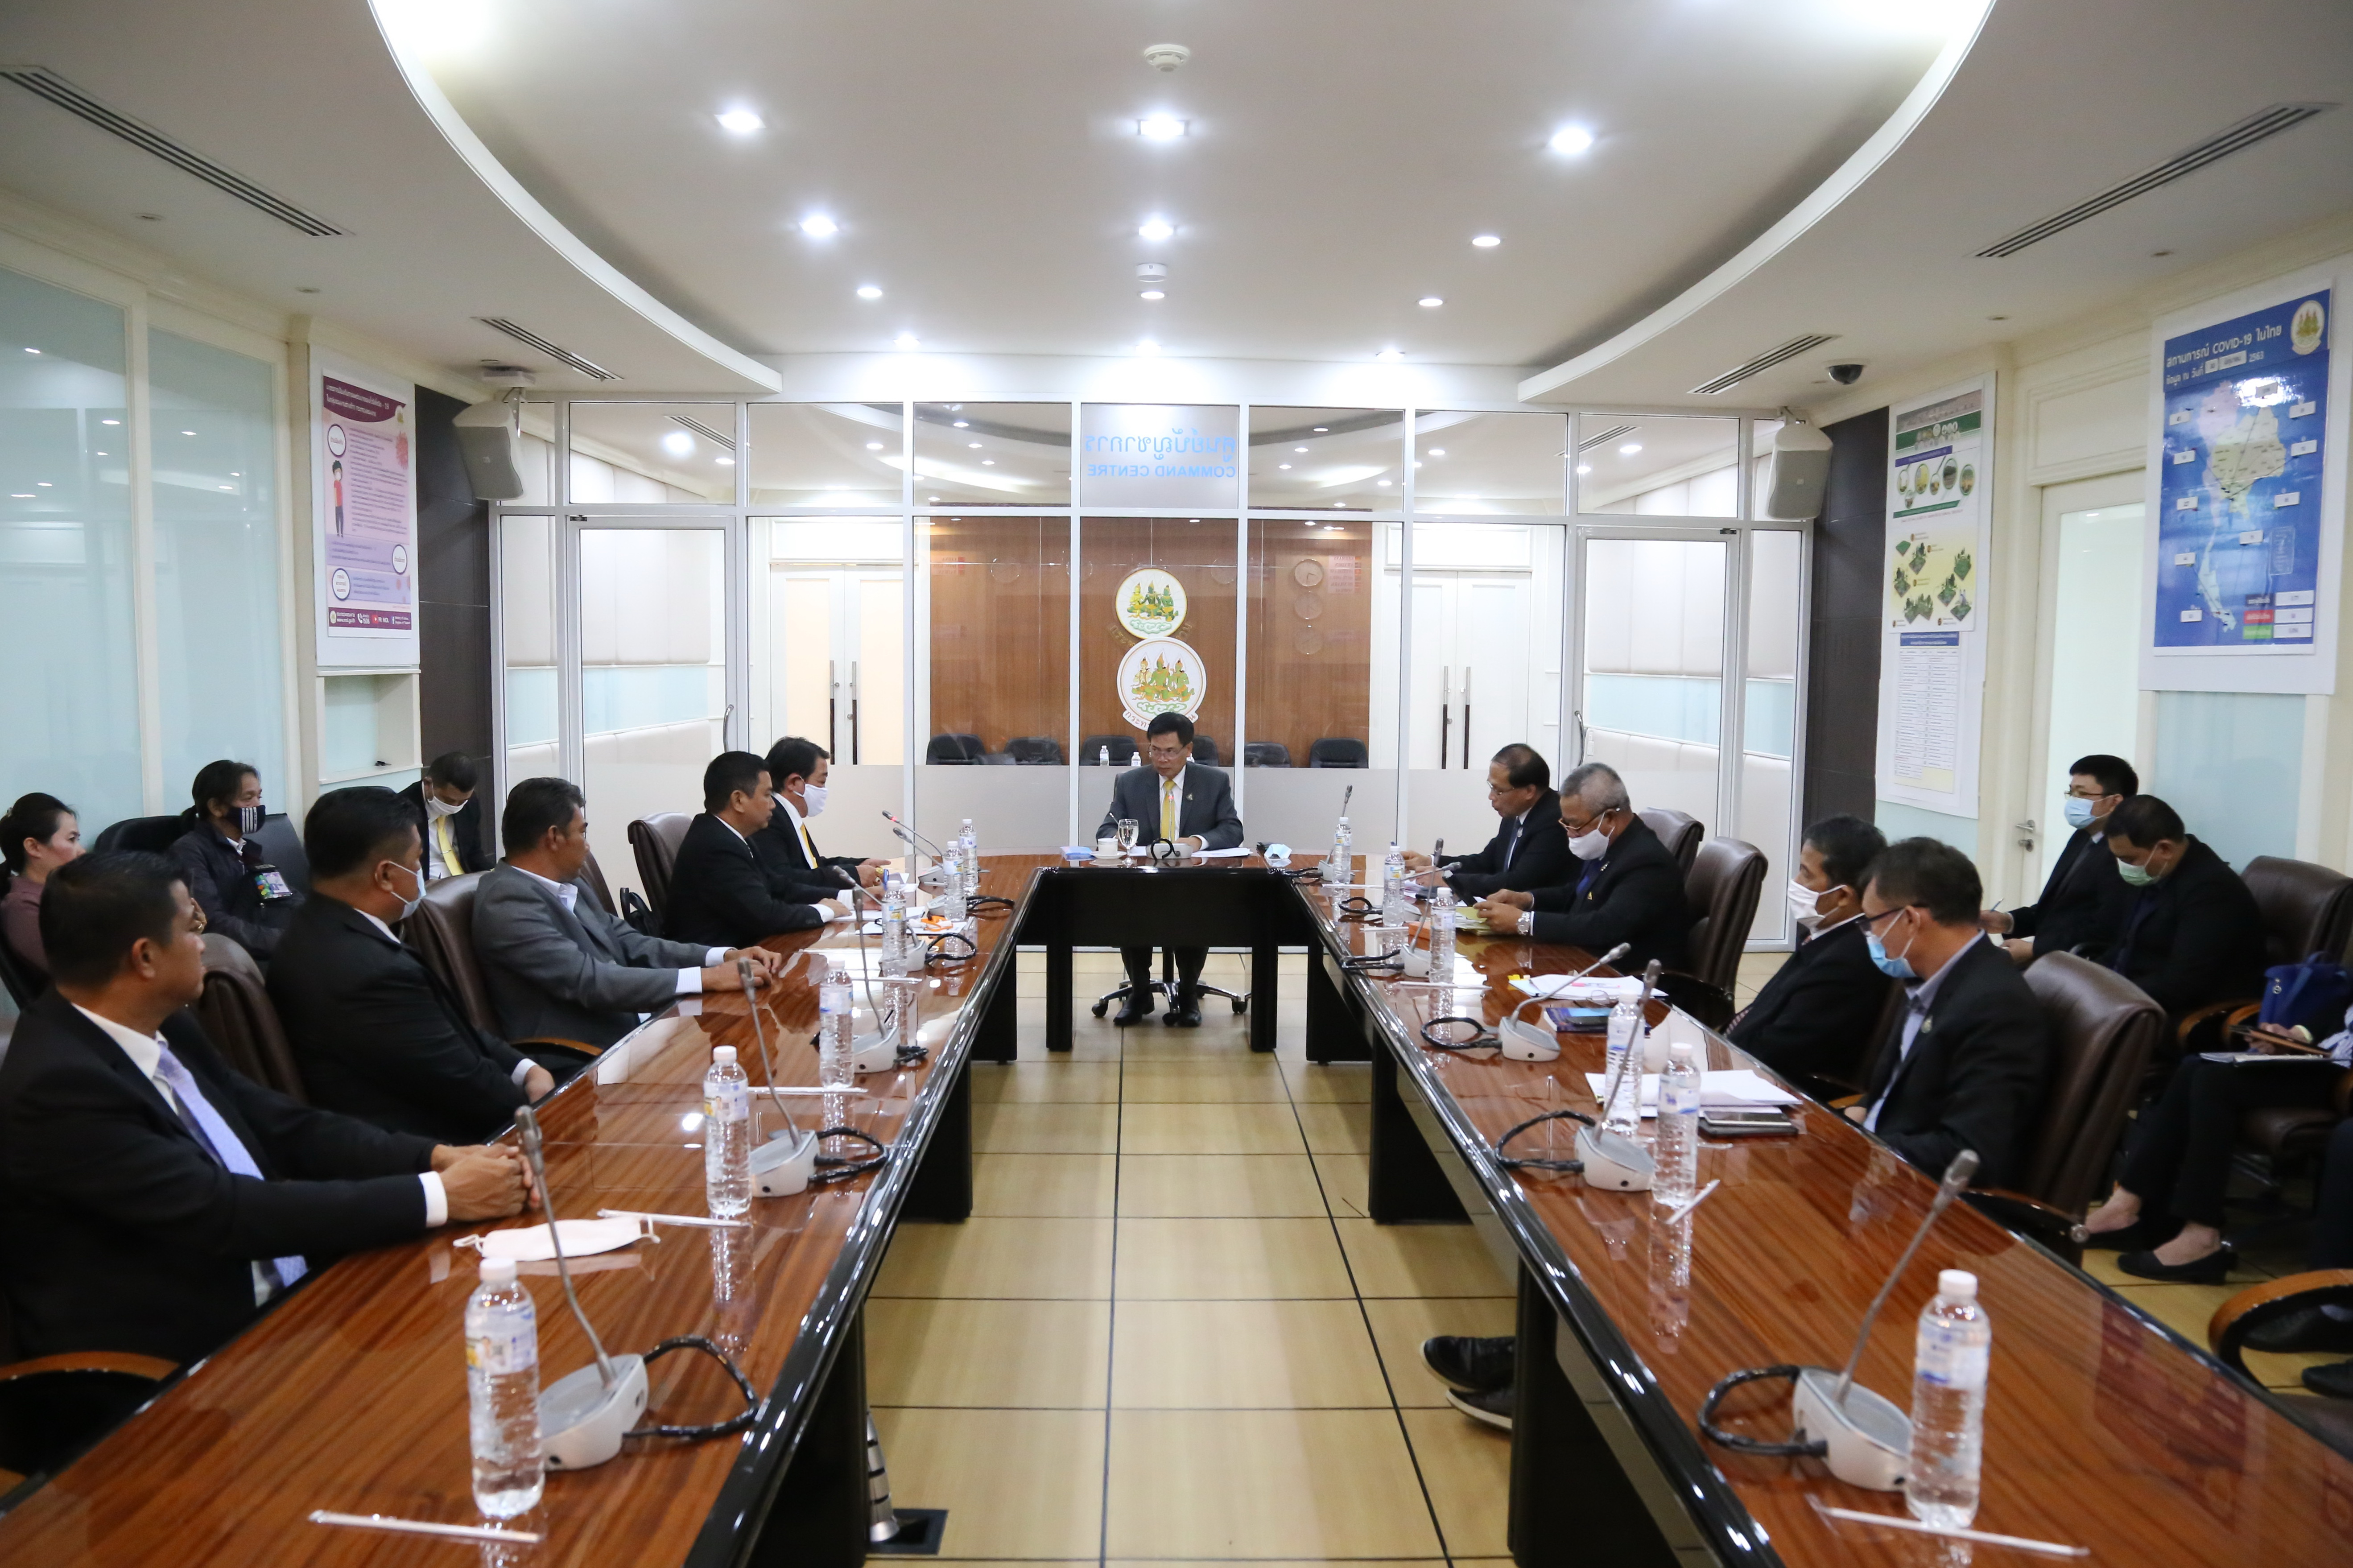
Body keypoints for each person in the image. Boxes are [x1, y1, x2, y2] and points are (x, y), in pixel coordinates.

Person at [0, 851, 532, 1363]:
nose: (203, 944)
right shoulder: (59, 1086)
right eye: (190, 928)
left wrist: (434, 1158)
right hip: (185, 1360)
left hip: (290, 1301)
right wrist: (441, 1196)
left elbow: (286, 1126)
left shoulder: (161, 1021)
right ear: (145, 958)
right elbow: (224, 1212)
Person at [268, 788, 559, 1144]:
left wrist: (526, 1069)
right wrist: (543, 1112)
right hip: (440, 1149)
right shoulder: (366, 971)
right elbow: (463, 1083)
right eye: (418, 859)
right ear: (385, 875)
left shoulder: (319, 927)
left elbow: (452, 1031)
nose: (420, 871)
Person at [474, 776, 783, 1048]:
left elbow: (631, 942)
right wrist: (707, 978)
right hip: (581, 1053)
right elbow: (589, 980)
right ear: (554, 838)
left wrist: (723, 957)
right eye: (582, 832)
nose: (587, 846)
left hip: (633, 1026)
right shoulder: (507, 901)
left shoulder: (569, 883)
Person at [2082, 1003, 2351, 1284]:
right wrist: (2298, 1036)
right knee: (2194, 1066)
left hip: (2345, 1074)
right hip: (2327, 1057)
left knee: (2214, 1082)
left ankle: (2201, 1237)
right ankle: (2126, 1206)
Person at [1844, 838, 2049, 1188]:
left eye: (1872, 922)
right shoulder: (1931, 975)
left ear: (1910, 920)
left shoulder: (1996, 1009)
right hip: (1877, 1162)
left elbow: (1970, 1153)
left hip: (1913, 1192)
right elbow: (1898, 1086)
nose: (1872, 935)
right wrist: (1856, 1115)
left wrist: (1858, 1149)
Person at [1094, 713, 1244, 1027]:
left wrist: (1199, 841)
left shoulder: (1213, 782)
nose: (1161, 759)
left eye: (1170, 752)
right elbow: (1107, 827)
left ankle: (1188, 994)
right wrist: (1117, 841)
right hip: (1143, 881)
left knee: (1194, 912)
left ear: (1188, 749)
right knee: (1128, 909)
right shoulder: (1131, 783)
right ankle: (1139, 993)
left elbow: (1233, 829)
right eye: (1155, 750)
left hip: (1192, 882)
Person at [1726, 814, 1893, 1096]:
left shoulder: (1846, 964)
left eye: (1806, 874)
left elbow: (1776, 1052)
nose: (1796, 882)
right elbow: (1764, 1012)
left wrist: (1716, 1056)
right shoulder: (1826, 935)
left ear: (1843, 896)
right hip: (1743, 1064)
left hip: (1779, 1092)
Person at [1474, 762, 1686, 973]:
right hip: (1583, 963)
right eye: (1565, 823)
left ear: (1610, 818)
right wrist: (1527, 899)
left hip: (1627, 979)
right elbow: (1579, 893)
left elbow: (1605, 926)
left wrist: (1525, 922)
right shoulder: (1611, 843)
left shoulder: (1648, 863)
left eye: (1575, 824)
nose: (1569, 833)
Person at [2098, 794, 2266, 1023]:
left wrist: (2108, 996)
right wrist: (2089, 978)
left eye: (2128, 860)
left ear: (2165, 849)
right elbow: (2124, 947)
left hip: (2187, 1015)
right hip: (2133, 994)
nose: (2123, 867)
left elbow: (2180, 986)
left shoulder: (2211, 890)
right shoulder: (2155, 871)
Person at [666, 751, 858, 949]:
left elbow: (780, 887)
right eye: (767, 795)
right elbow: (764, 915)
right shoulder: (716, 845)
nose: (773, 805)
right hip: (719, 960)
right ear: (738, 801)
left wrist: (849, 899)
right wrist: (823, 911)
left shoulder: (735, 836)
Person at [1980, 753, 2135, 964]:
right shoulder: (2083, 836)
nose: (2074, 801)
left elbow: (2105, 929)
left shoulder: (2125, 853)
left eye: (2082, 794)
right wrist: (2008, 921)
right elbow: (2057, 908)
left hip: (2083, 964)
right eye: (2071, 793)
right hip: (2052, 954)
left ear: (2115, 802)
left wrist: (2036, 950)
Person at [169, 759, 301, 961]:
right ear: (216, 807)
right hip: (232, 958)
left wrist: (317, 922)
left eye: (259, 797)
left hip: (269, 946)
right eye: (248, 798)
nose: (258, 805)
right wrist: (286, 942)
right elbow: (212, 923)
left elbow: (280, 894)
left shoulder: (248, 850)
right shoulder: (189, 851)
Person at [1402, 743, 1570, 898]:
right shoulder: (1516, 814)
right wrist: (1433, 862)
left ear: (1529, 791)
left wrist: (1449, 880)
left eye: (1499, 790)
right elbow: (1485, 862)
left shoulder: (1554, 820)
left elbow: (1519, 883)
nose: (1491, 797)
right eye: (1492, 787)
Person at [753, 736, 888, 895]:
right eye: (822, 782)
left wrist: (859, 865)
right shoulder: (771, 819)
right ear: (793, 783)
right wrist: (853, 875)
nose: (824, 790)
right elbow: (784, 878)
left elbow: (813, 865)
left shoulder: (787, 816)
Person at [1, 792, 82, 979]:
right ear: (34, 847)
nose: (82, 851)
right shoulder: (21, 908)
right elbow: (80, 974)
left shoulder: (64, 891)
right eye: (71, 840)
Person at [398, 751, 491, 882]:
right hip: (426, 884)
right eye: (449, 800)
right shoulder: (401, 810)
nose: (456, 806)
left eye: (462, 801)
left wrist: (495, 874)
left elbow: (474, 853)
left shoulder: (469, 802)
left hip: (464, 880)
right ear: (428, 784)